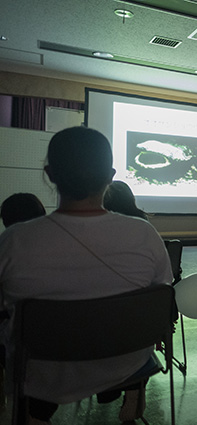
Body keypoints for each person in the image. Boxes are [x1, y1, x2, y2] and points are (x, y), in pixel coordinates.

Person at [0, 126, 173, 425]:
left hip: (42, 373)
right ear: (111, 175)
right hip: (126, 362)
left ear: (50, 174)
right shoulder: (145, 235)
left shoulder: (14, 241)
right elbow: (162, 298)